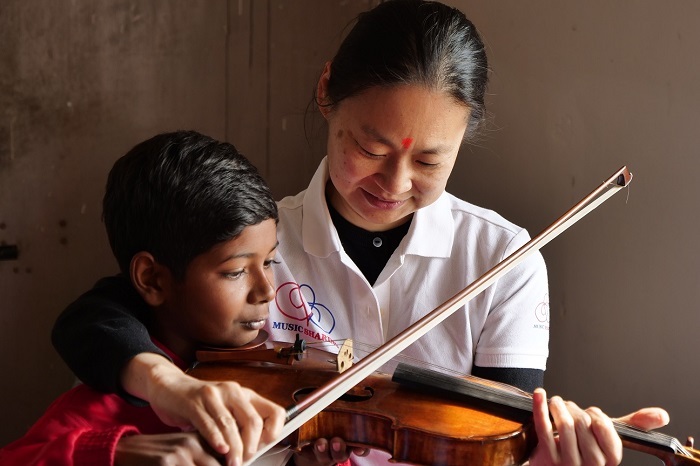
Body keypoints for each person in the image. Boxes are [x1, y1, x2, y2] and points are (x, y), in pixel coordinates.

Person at [50, 2, 669, 466]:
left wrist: (547, 454)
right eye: (370, 147)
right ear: (327, 94)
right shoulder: (260, 246)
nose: (394, 182)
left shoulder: (504, 259)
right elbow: (98, 317)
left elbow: (495, 437)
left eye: (429, 161)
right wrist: (166, 381)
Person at [0, 131, 300, 466]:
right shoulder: (100, 405)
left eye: (269, 262)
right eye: (235, 272)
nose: (267, 290)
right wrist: (118, 453)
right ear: (152, 279)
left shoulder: (271, 382)